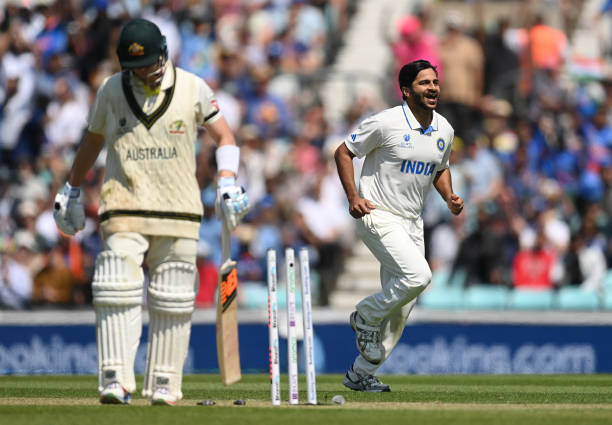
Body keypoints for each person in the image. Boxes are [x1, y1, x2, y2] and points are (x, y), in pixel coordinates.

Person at [52, 19, 248, 406]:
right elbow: (91, 142)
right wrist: (72, 187)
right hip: (123, 204)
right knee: (114, 287)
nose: (147, 73)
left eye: (152, 63)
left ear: (164, 52)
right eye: (137, 67)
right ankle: (115, 380)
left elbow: (225, 135)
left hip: (179, 209)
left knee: (174, 293)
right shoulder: (111, 90)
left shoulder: (193, 87)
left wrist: (227, 179)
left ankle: (164, 383)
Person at [334, 60, 464, 392]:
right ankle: (364, 314)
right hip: (377, 213)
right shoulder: (386, 122)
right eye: (424, 83)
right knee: (419, 276)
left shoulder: (444, 129)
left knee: (402, 308)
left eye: (435, 82)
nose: (433, 87)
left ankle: (360, 373)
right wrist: (353, 197)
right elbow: (344, 152)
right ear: (406, 91)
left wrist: (448, 195)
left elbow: (440, 166)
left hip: (411, 222)